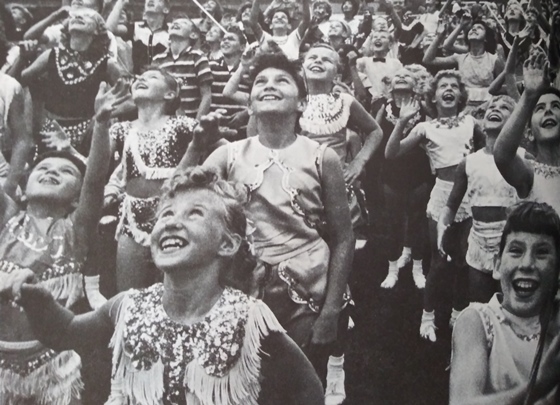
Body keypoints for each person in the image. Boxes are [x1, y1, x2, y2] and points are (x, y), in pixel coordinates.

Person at [0, 166, 326, 405]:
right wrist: (36, 299)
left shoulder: (249, 319)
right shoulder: (127, 306)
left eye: (194, 213)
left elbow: (308, 390)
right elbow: (66, 332)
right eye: (166, 213)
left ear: (227, 244)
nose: (172, 221)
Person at [178, 52, 354, 384]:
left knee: (296, 380)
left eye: (282, 80)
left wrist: (331, 310)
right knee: (240, 379)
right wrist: (195, 146)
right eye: (260, 82)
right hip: (242, 284)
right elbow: (178, 200)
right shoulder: (228, 154)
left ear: (301, 103)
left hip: (307, 289)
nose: (269, 85)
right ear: (250, 105)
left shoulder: (322, 157)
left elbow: (344, 236)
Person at [0, 79, 127, 405]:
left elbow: (96, 178)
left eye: (66, 172)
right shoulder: (7, 216)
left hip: (51, 363)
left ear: (75, 198)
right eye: (43, 167)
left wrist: (101, 124)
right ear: (24, 188)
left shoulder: (76, 229)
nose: (52, 172)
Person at [385, 69, 484, 342]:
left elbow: (487, 152)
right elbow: (391, 153)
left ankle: (457, 312)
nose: (449, 89)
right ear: (434, 96)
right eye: (443, 86)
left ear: (461, 95)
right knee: (439, 261)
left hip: (471, 197)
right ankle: (427, 316)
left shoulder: (471, 122)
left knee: (465, 260)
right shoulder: (425, 128)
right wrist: (401, 121)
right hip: (442, 197)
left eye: (454, 86)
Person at [449, 201, 560, 404]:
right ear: (497, 265)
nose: (527, 264)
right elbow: (461, 402)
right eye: (516, 251)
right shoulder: (477, 322)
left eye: (542, 253)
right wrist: (539, 384)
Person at [106, 68, 199, 292]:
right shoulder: (120, 129)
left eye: (152, 77)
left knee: (174, 288)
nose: (141, 79)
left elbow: (223, 150)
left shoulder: (183, 125)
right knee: (128, 292)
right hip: (132, 218)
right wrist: (69, 149)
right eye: (139, 77)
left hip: (173, 213)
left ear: (170, 94)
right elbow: (95, 166)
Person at [438, 95, 520, 304]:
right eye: (491, 107)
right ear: (482, 123)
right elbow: (451, 205)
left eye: (504, 107)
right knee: (480, 304)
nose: (495, 109)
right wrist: (442, 226)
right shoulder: (469, 162)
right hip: (479, 244)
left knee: (511, 304)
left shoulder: (522, 159)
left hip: (511, 244)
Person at [18, 7, 123, 157]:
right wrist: (23, 57)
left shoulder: (107, 64)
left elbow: (129, 99)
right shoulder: (51, 55)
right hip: (50, 133)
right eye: (75, 15)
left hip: (87, 137)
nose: (78, 17)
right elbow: (20, 81)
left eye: (87, 16)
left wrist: (101, 117)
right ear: (67, 26)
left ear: (97, 30)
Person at [376, 67, 433, 289]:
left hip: (418, 171)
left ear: (415, 84)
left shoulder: (424, 108)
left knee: (418, 220)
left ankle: (417, 268)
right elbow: (374, 134)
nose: (401, 76)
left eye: (407, 75)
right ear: (390, 86)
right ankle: (392, 270)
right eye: (397, 75)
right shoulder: (383, 107)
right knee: (393, 222)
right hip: (391, 171)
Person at [494, 51, 560, 215]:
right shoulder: (529, 174)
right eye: (540, 108)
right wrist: (529, 95)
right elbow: (502, 156)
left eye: (556, 106)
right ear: (529, 133)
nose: (548, 111)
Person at [423, 17, 504, 110]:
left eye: (479, 28)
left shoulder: (495, 59)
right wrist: (439, 36)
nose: (474, 29)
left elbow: (504, 86)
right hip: (464, 107)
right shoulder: (460, 58)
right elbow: (428, 60)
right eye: (472, 28)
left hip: (487, 107)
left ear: (486, 38)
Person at [153, 16, 212, 120]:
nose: (176, 23)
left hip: (191, 120)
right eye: (173, 22)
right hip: (164, 121)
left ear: (193, 35)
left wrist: (196, 123)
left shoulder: (198, 57)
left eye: (183, 23)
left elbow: (206, 95)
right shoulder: (158, 59)